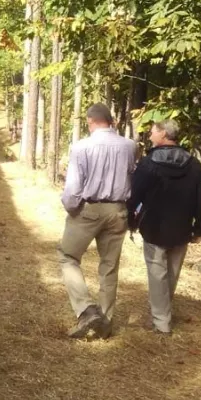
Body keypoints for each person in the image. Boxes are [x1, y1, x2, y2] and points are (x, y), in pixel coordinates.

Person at [58, 103, 137, 339]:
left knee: (68, 256)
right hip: (118, 210)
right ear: (111, 121)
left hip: (89, 209)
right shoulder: (130, 146)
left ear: (90, 121)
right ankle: (106, 321)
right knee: (109, 266)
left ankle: (86, 309)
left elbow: (73, 189)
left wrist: (72, 208)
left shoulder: (81, 147)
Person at [127, 120, 201, 334]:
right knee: (171, 273)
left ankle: (161, 322)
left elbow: (134, 195)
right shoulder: (194, 165)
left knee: (158, 275)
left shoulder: (148, 163)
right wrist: (200, 227)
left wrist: (130, 221)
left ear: (163, 134)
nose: (150, 135)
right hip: (182, 229)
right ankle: (163, 314)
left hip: (154, 227)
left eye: (153, 132)